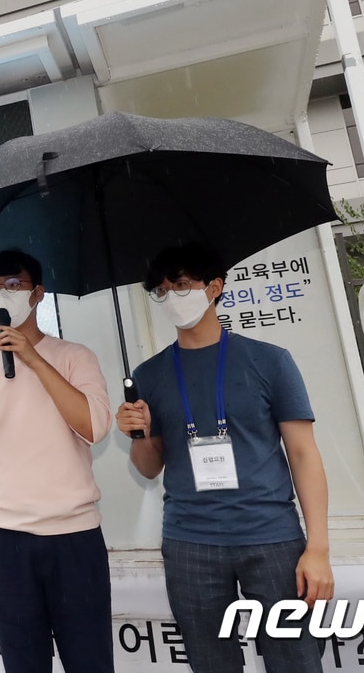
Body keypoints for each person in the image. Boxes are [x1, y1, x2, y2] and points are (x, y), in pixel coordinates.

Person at [115, 243, 334, 673]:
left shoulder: (269, 361)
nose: (170, 298)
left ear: (214, 287)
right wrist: (136, 434)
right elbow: (148, 466)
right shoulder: (148, 375)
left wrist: (319, 548)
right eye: (160, 291)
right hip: (189, 543)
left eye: (180, 286)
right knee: (211, 663)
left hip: (271, 538)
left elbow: (304, 454)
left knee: (296, 661)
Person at [0, 250, 114, 673]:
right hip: (4, 542)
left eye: (13, 284)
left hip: (73, 539)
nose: (1, 294)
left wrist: (34, 360)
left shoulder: (75, 357)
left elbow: (94, 427)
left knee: (89, 661)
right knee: (23, 665)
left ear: (38, 294)